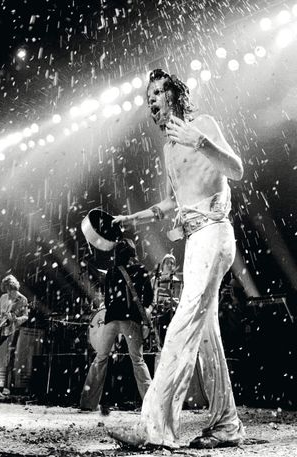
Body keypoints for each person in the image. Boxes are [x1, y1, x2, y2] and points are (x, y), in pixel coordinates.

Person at [110, 69, 245, 449]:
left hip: (214, 234)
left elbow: (236, 169)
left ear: (174, 94)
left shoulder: (201, 124)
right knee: (206, 337)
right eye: (147, 95)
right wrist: (131, 218)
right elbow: (174, 202)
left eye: (157, 91)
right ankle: (227, 424)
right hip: (195, 241)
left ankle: (155, 428)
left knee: (182, 326)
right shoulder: (169, 147)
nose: (151, 99)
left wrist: (200, 140)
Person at [80, 238, 153, 412]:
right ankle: (151, 404)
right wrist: (144, 318)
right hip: (131, 320)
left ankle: (88, 403)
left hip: (111, 319)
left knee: (100, 358)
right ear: (133, 252)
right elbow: (149, 299)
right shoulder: (141, 270)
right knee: (138, 360)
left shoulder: (112, 271)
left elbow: (107, 300)